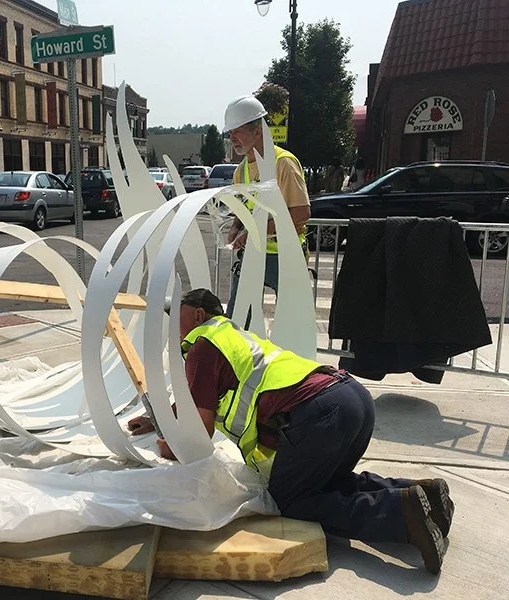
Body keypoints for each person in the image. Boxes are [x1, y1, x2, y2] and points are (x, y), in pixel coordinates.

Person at [128, 288, 453, 574]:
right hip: (352, 399)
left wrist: (170, 445)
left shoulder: (201, 344)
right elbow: (199, 399)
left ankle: (400, 516)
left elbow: (199, 429)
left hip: (319, 414)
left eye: (175, 315)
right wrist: (158, 418)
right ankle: (418, 494)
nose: (170, 325)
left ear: (198, 314)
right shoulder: (232, 337)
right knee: (325, 484)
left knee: (291, 500)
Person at [222, 96, 311, 317]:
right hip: (252, 253)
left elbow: (301, 212)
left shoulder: (283, 163)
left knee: (290, 320)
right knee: (239, 317)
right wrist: (235, 227)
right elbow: (243, 209)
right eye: (230, 133)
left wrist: (256, 231)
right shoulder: (240, 171)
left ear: (258, 131)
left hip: (285, 255)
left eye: (237, 131)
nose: (232, 138)